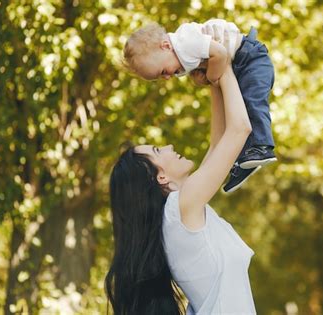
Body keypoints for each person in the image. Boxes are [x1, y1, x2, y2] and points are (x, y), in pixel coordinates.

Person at [105, 61, 257, 314]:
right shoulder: (180, 209)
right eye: (157, 150)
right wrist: (223, 62)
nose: (167, 147)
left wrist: (214, 81)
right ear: (160, 178)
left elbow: (218, 141)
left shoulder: (181, 211)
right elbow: (240, 129)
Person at [123, 19, 276, 193]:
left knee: (253, 104)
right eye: (161, 77)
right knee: (237, 112)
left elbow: (220, 53)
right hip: (239, 64)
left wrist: (211, 76)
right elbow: (206, 69)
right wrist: (206, 76)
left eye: (163, 72)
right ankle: (244, 160)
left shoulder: (185, 42)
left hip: (250, 57)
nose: (166, 77)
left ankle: (262, 147)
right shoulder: (178, 56)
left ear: (165, 46)